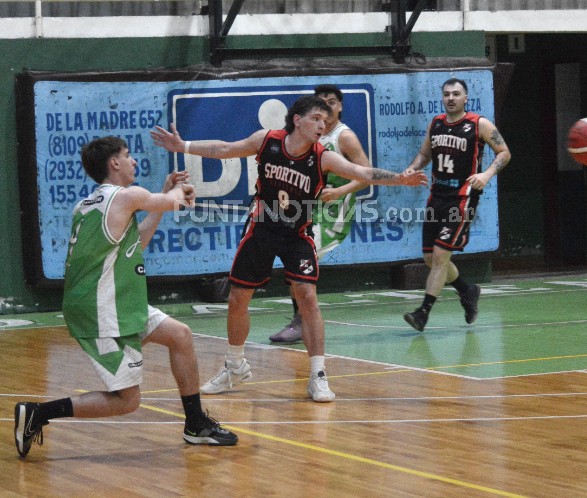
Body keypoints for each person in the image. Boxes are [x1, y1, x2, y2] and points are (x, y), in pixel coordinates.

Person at [151, 95, 427, 402]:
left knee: (308, 298)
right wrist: (183, 146)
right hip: (262, 228)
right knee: (238, 298)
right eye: (316, 119)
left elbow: (363, 173)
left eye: (325, 121)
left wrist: (400, 180)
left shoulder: (323, 157)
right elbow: (223, 149)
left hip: (297, 234)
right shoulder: (267, 141)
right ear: (297, 119)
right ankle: (235, 365)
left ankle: (318, 376)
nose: (322, 125)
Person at [14, 136, 238, 459]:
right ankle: (38, 413)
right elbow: (175, 200)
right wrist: (176, 194)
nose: (134, 161)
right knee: (128, 400)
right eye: (128, 155)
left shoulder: (89, 205)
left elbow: (136, 243)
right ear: (114, 163)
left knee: (180, 336)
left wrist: (164, 197)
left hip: (116, 301)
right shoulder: (124, 196)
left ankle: (196, 424)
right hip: (100, 309)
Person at [402, 77, 511, 331]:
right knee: (430, 258)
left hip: (462, 197)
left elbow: (504, 152)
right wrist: (411, 168)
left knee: (441, 255)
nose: (451, 98)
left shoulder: (479, 124)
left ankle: (423, 313)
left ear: (465, 98)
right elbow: (424, 153)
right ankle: (467, 290)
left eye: (456, 94)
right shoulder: (436, 124)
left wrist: (486, 175)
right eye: (447, 94)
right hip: (436, 196)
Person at [269, 84, 371, 344]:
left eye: (333, 101)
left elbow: (367, 175)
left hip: (334, 213)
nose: (328, 106)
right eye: (322, 102)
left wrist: (340, 191)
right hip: (308, 208)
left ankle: (301, 321)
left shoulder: (344, 137)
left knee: (300, 261)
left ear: (341, 106)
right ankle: (300, 319)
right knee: (293, 262)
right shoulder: (307, 135)